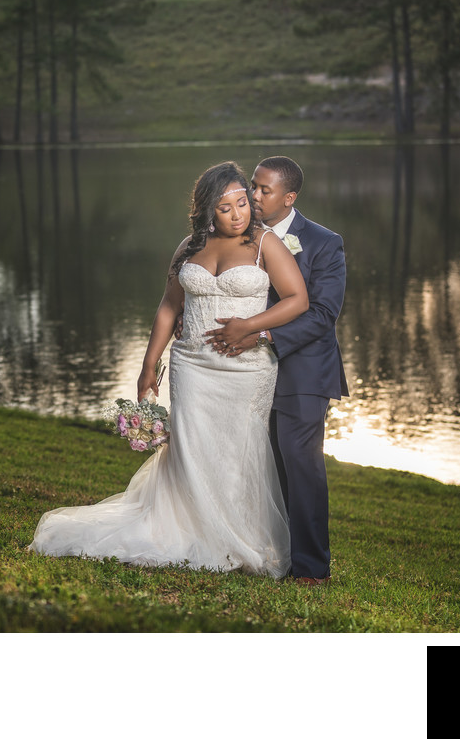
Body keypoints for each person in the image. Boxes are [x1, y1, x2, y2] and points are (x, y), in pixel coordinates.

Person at [29, 161, 309, 578]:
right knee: (191, 449)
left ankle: (237, 535)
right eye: (225, 208)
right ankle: (186, 529)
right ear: (206, 211)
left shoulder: (265, 242)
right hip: (192, 364)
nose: (238, 214)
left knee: (238, 450)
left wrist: (250, 326)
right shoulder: (189, 247)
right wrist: (148, 365)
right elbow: (169, 307)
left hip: (246, 368)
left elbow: (297, 299)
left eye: (241, 203)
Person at [204, 156, 347, 585]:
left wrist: (263, 336)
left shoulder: (323, 242)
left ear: (290, 197)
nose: (254, 196)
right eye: (253, 186)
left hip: (303, 372)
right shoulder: (236, 233)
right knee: (262, 465)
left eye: (265, 190)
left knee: (300, 463)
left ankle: (311, 568)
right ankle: (270, 554)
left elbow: (323, 313)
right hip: (246, 372)